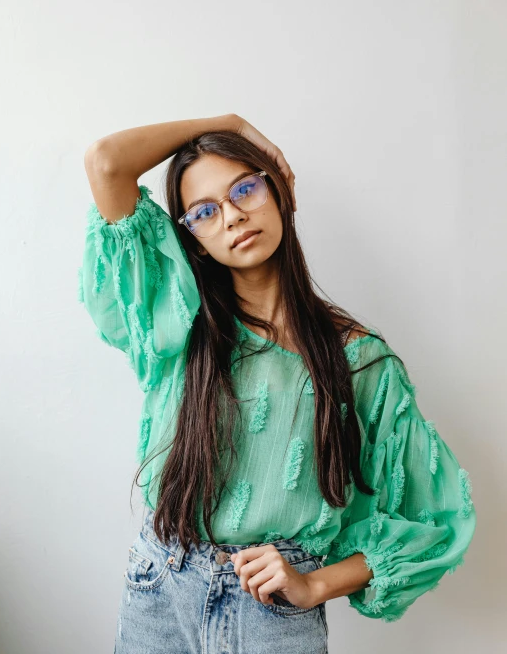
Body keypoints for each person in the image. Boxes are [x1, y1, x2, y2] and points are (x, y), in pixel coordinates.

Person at [78, 114, 476, 653]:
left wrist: (314, 583)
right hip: (159, 592)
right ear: (193, 240)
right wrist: (229, 122)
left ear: (280, 188)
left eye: (245, 188)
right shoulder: (177, 322)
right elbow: (106, 161)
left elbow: (436, 520)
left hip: (269, 615)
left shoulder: (358, 359)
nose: (234, 215)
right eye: (205, 211)